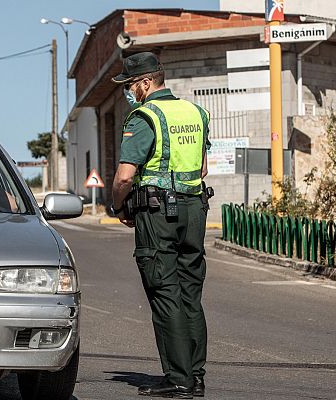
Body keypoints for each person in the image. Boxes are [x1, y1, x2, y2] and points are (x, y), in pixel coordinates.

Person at [109, 52, 211, 399]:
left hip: (158, 214)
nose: (129, 92)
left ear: (146, 82)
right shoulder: (196, 113)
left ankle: (178, 379)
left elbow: (125, 175)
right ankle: (195, 377)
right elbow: (202, 169)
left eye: (131, 85)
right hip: (195, 209)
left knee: (164, 292)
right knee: (190, 295)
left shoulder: (144, 116)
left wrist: (118, 205)